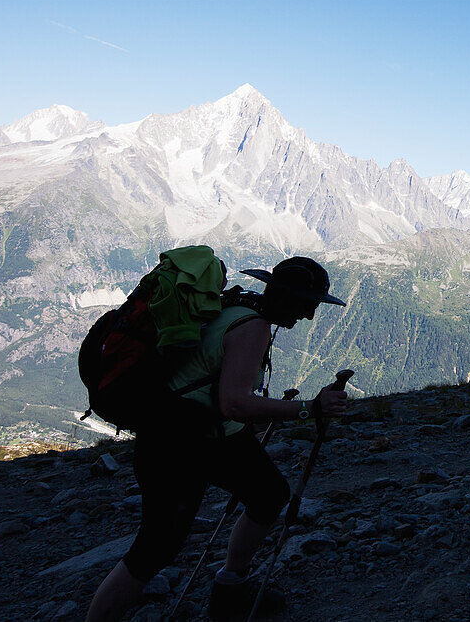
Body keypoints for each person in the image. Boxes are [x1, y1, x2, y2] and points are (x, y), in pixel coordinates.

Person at [86, 257, 349, 621]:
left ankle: (231, 590)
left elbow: (218, 392)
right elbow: (234, 403)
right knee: (156, 548)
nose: (308, 316)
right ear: (285, 297)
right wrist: (310, 409)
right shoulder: (253, 327)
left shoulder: (235, 307)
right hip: (179, 441)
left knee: (269, 493)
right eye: (307, 305)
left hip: (196, 431)